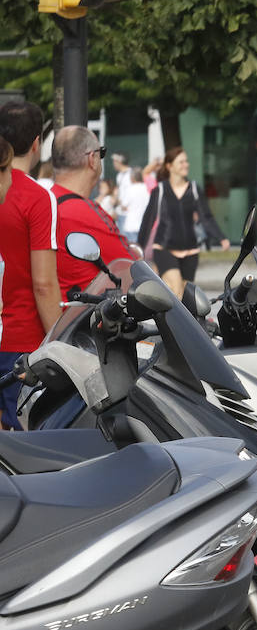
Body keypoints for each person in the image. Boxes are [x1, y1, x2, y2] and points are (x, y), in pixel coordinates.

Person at [0, 102, 60, 431]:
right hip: (22, 340)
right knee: (24, 442)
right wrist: (58, 342)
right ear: (37, 143)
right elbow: (44, 284)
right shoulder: (37, 197)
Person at [51, 127, 136, 295]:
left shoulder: (42, 203)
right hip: (82, 317)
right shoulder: (88, 214)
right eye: (101, 153)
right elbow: (131, 271)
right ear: (92, 159)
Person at [137, 145, 229, 298]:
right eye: (181, 162)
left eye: (186, 161)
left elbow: (206, 217)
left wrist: (221, 237)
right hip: (164, 248)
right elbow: (148, 220)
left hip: (190, 251)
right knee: (176, 289)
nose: (186, 165)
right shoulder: (159, 190)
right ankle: (170, 322)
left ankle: (172, 321)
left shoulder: (193, 189)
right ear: (169, 166)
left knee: (183, 296)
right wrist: (139, 248)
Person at [112, 152, 150, 246]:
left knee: (130, 247)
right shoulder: (120, 175)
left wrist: (119, 202)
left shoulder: (130, 176)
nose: (113, 163)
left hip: (129, 216)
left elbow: (128, 200)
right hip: (123, 214)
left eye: (115, 161)